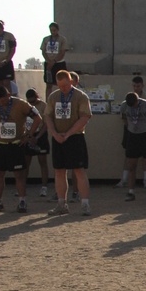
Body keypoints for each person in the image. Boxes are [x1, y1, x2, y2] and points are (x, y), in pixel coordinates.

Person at [0, 86, 40, 213]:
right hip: (1, 144)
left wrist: (29, 135)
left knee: (19, 174)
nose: (3, 102)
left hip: (16, 144)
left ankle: (22, 201)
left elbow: (37, 118)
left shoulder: (20, 104)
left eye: (5, 99)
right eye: (0, 101)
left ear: (9, 95)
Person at [45, 70, 93, 216]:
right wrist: (54, 134)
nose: (63, 89)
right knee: (59, 171)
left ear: (71, 81)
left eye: (65, 85)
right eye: (60, 86)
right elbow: (47, 116)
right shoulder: (54, 96)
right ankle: (61, 204)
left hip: (75, 138)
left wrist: (68, 133)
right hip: (58, 138)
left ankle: (85, 204)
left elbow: (85, 118)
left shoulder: (80, 96)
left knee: (79, 171)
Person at [119, 91, 146, 202]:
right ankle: (131, 191)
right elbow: (123, 117)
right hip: (132, 136)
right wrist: (130, 127)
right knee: (131, 165)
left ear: (138, 100)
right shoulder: (124, 106)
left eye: (135, 105)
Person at [22, 89, 51, 198]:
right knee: (26, 162)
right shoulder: (25, 106)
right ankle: (22, 186)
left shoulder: (44, 106)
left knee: (42, 161)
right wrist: (28, 136)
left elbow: (46, 124)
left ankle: (44, 187)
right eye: (30, 102)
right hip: (29, 134)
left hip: (40, 135)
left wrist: (38, 137)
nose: (32, 103)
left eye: (34, 101)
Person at [40, 22, 68, 100]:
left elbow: (62, 52)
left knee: (61, 83)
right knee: (49, 84)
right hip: (48, 63)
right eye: (51, 30)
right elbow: (43, 51)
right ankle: (48, 101)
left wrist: (54, 61)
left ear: (58, 30)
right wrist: (48, 61)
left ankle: (63, 100)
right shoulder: (46, 39)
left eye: (54, 30)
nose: (53, 32)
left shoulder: (62, 39)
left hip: (59, 63)